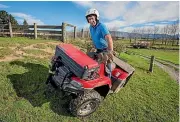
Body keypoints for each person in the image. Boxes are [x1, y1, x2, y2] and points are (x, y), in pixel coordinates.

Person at [85, 8, 114, 78]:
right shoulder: (91, 27)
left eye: (92, 18)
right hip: (98, 49)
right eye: (89, 19)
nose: (91, 21)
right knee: (97, 64)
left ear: (96, 17)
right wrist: (94, 46)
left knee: (107, 65)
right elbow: (94, 37)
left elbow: (109, 38)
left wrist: (109, 51)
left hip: (105, 49)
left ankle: (109, 78)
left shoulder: (102, 26)